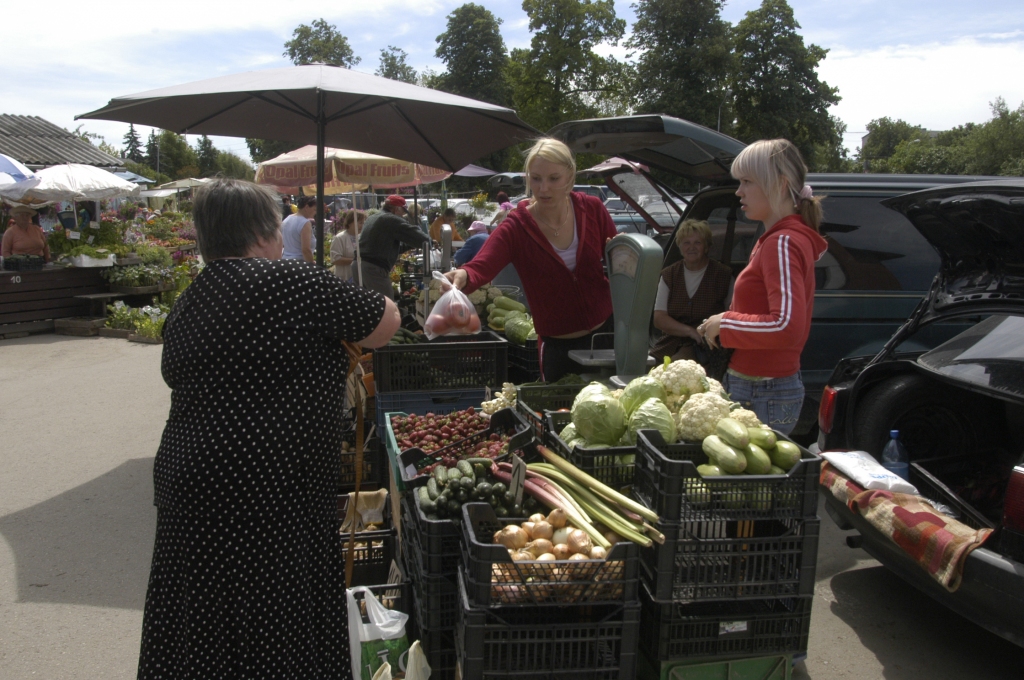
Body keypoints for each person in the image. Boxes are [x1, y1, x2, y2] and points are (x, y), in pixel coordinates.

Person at [136, 178, 399, 679]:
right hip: (269, 489)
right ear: (262, 232)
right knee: (277, 623)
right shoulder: (287, 281)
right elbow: (384, 322)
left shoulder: (190, 301)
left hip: (188, 485)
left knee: (202, 624)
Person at [445, 138, 618, 382]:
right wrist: (463, 275)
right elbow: (481, 266)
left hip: (607, 338)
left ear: (570, 175)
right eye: (536, 178)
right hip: (559, 351)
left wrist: (623, 255)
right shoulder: (517, 226)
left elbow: (619, 257)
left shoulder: (593, 209)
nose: (543, 188)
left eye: (553, 178)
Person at [700, 139, 828, 435]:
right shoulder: (778, 239)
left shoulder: (782, 242)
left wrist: (726, 323)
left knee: (750, 482)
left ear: (781, 185)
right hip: (761, 388)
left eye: (747, 182)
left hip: (763, 391)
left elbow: (786, 326)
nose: (738, 191)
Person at [651, 219, 733, 367]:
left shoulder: (724, 275)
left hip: (709, 345)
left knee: (678, 364)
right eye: (686, 243)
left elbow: (732, 315)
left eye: (697, 243)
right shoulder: (669, 275)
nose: (691, 248)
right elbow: (659, 318)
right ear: (680, 247)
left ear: (707, 246)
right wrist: (689, 331)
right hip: (671, 342)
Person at [358, 194, 430, 299]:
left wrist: (410, 245)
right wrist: (430, 241)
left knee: (368, 305)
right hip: (373, 268)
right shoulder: (390, 219)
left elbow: (391, 247)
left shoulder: (374, 217)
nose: (403, 216)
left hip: (359, 265)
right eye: (402, 212)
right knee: (386, 304)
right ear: (396, 209)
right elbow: (418, 236)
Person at [331, 209, 365, 282]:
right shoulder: (339, 238)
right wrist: (356, 261)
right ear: (350, 223)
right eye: (360, 223)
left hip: (360, 279)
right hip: (344, 278)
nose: (362, 226)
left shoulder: (362, 237)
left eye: (363, 223)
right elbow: (335, 259)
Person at [281, 195, 317, 262]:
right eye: (314, 209)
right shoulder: (305, 223)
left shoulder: (287, 219)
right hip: (299, 262)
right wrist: (312, 264)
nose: (315, 212)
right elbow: (306, 250)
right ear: (306, 207)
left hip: (285, 260)